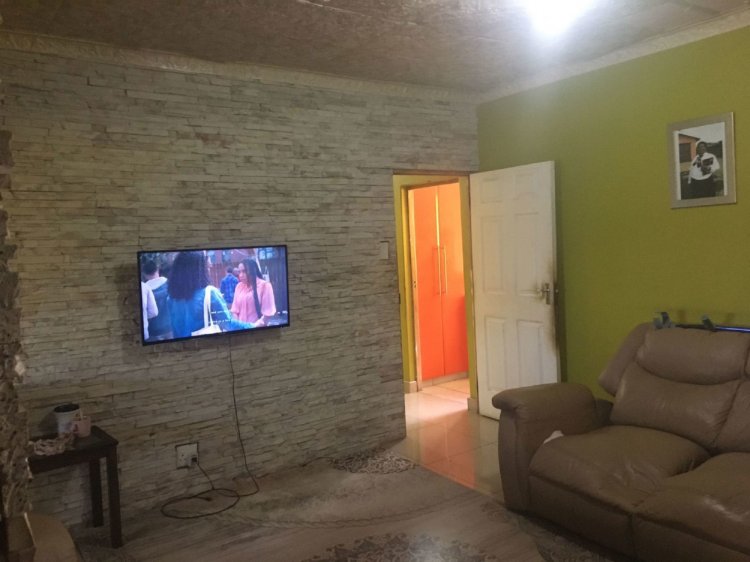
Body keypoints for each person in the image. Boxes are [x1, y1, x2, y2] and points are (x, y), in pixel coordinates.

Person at [167, 251, 251, 338]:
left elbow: (174, 329)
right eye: (207, 268)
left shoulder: (171, 298)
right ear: (199, 271)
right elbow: (228, 324)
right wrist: (252, 325)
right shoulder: (210, 293)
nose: (209, 271)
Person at [231, 258, 276, 327]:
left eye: (244, 271)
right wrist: (238, 327)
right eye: (239, 272)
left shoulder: (265, 286)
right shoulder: (239, 286)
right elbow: (235, 310)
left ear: (252, 270)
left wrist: (252, 327)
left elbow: (267, 314)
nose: (241, 275)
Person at [142, 258, 172, 341]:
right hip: (170, 326)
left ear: (144, 274)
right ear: (157, 269)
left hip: (153, 331)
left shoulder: (144, 291)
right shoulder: (170, 284)